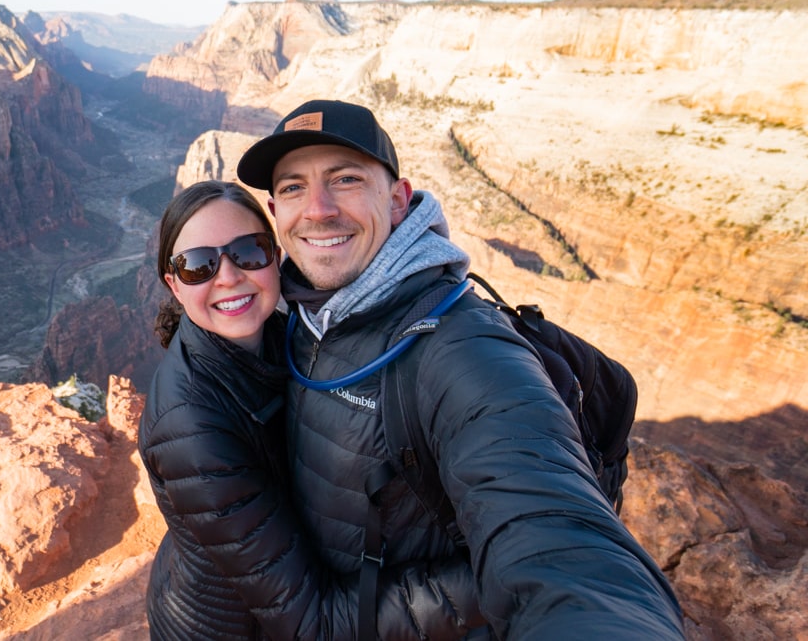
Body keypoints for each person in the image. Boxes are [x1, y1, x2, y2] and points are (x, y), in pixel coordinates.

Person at [234, 99, 686, 639]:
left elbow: (559, 541)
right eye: (293, 188)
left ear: (399, 201)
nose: (319, 208)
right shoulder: (295, 310)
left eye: (346, 179)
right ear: (273, 211)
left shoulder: (462, 348)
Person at [138, 179, 485, 641]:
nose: (227, 277)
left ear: (275, 257)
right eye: (198, 265)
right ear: (175, 286)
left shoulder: (288, 335)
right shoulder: (190, 428)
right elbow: (311, 624)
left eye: (248, 252)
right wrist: (494, 579)